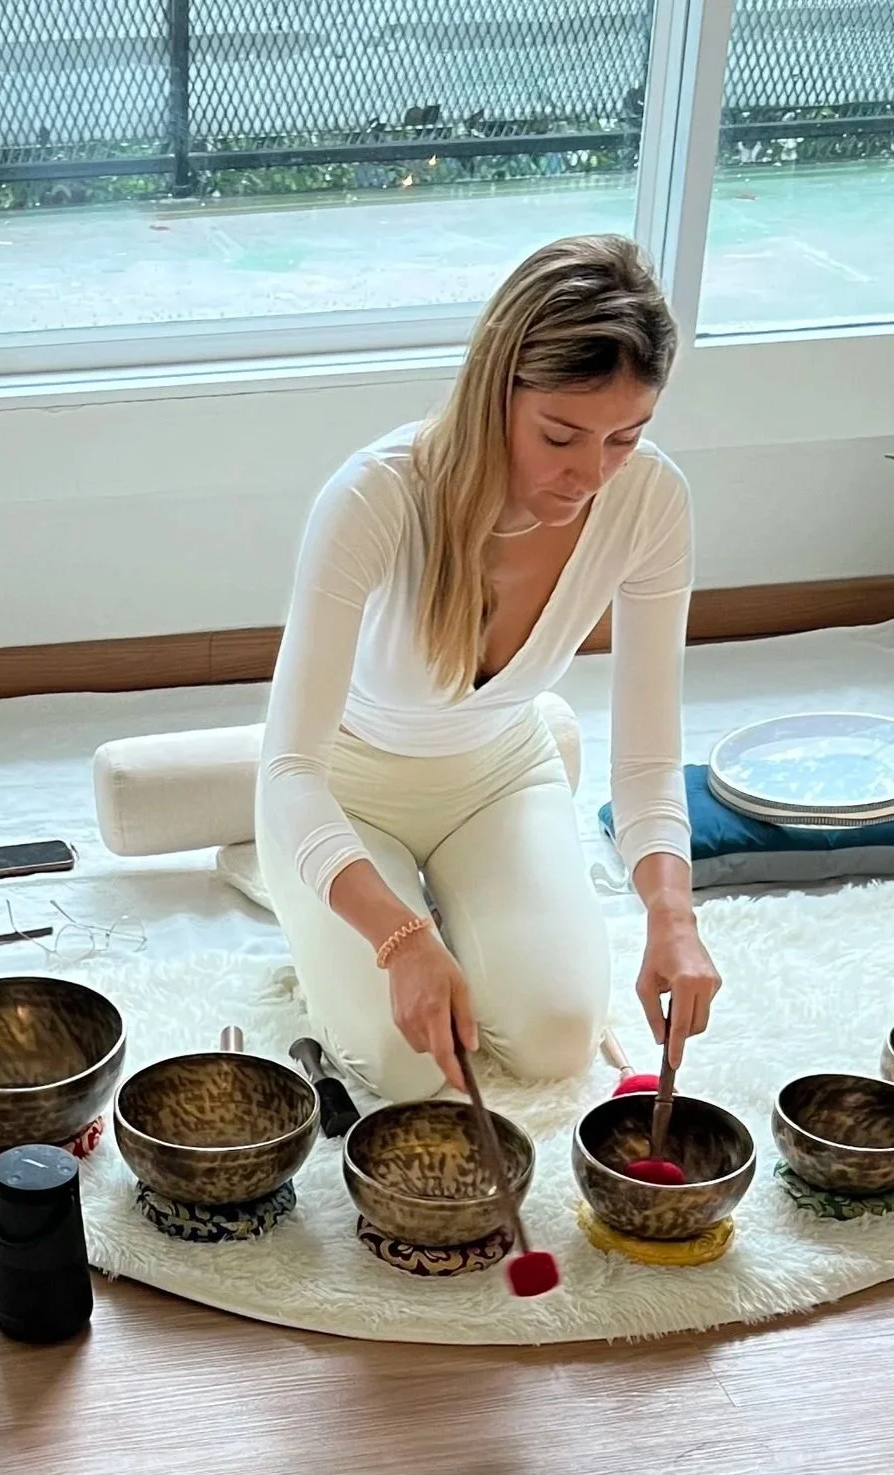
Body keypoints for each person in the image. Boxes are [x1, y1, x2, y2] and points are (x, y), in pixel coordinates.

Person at [255, 234, 720, 1102]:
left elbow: (651, 760)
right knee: (406, 1070)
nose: (590, 474)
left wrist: (672, 916)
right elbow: (290, 772)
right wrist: (401, 939)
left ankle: (458, 902)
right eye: (560, 435)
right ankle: (288, 877)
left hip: (497, 774)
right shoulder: (373, 495)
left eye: (624, 436)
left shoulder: (651, 500)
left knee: (555, 1042)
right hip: (341, 790)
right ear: (492, 391)